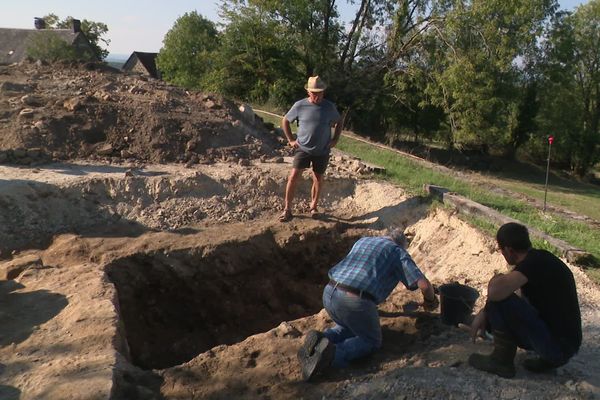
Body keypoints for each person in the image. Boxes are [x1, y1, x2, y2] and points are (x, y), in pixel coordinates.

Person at [297, 228, 439, 381]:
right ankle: (332, 355)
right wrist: (430, 301)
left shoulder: (364, 240)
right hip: (353, 301)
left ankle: (321, 340)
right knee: (370, 340)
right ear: (402, 245)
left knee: (348, 327)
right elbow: (424, 285)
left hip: (330, 292)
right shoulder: (397, 251)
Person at [467, 222, 581, 378]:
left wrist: (495, 285)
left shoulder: (532, 265)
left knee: (500, 297)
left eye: (501, 250)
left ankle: (501, 361)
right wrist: (486, 311)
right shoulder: (541, 260)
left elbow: (496, 292)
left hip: (558, 349)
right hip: (566, 346)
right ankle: (547, 359)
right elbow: (520, 302)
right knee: (502, 295)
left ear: (509, 250)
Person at [278, 76, 342, 222]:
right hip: (303, 148)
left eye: (319, 92)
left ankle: (313, 206)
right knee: (293, 176)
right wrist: (290, 140)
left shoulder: (329, 107)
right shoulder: (299, 105)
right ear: (308, 92)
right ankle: (287, 209)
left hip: (322, 150)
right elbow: (286, 120)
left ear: (323, 92)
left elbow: (339, 121)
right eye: (314, 92)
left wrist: (335, 140)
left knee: (318, 178)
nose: (316, 96)